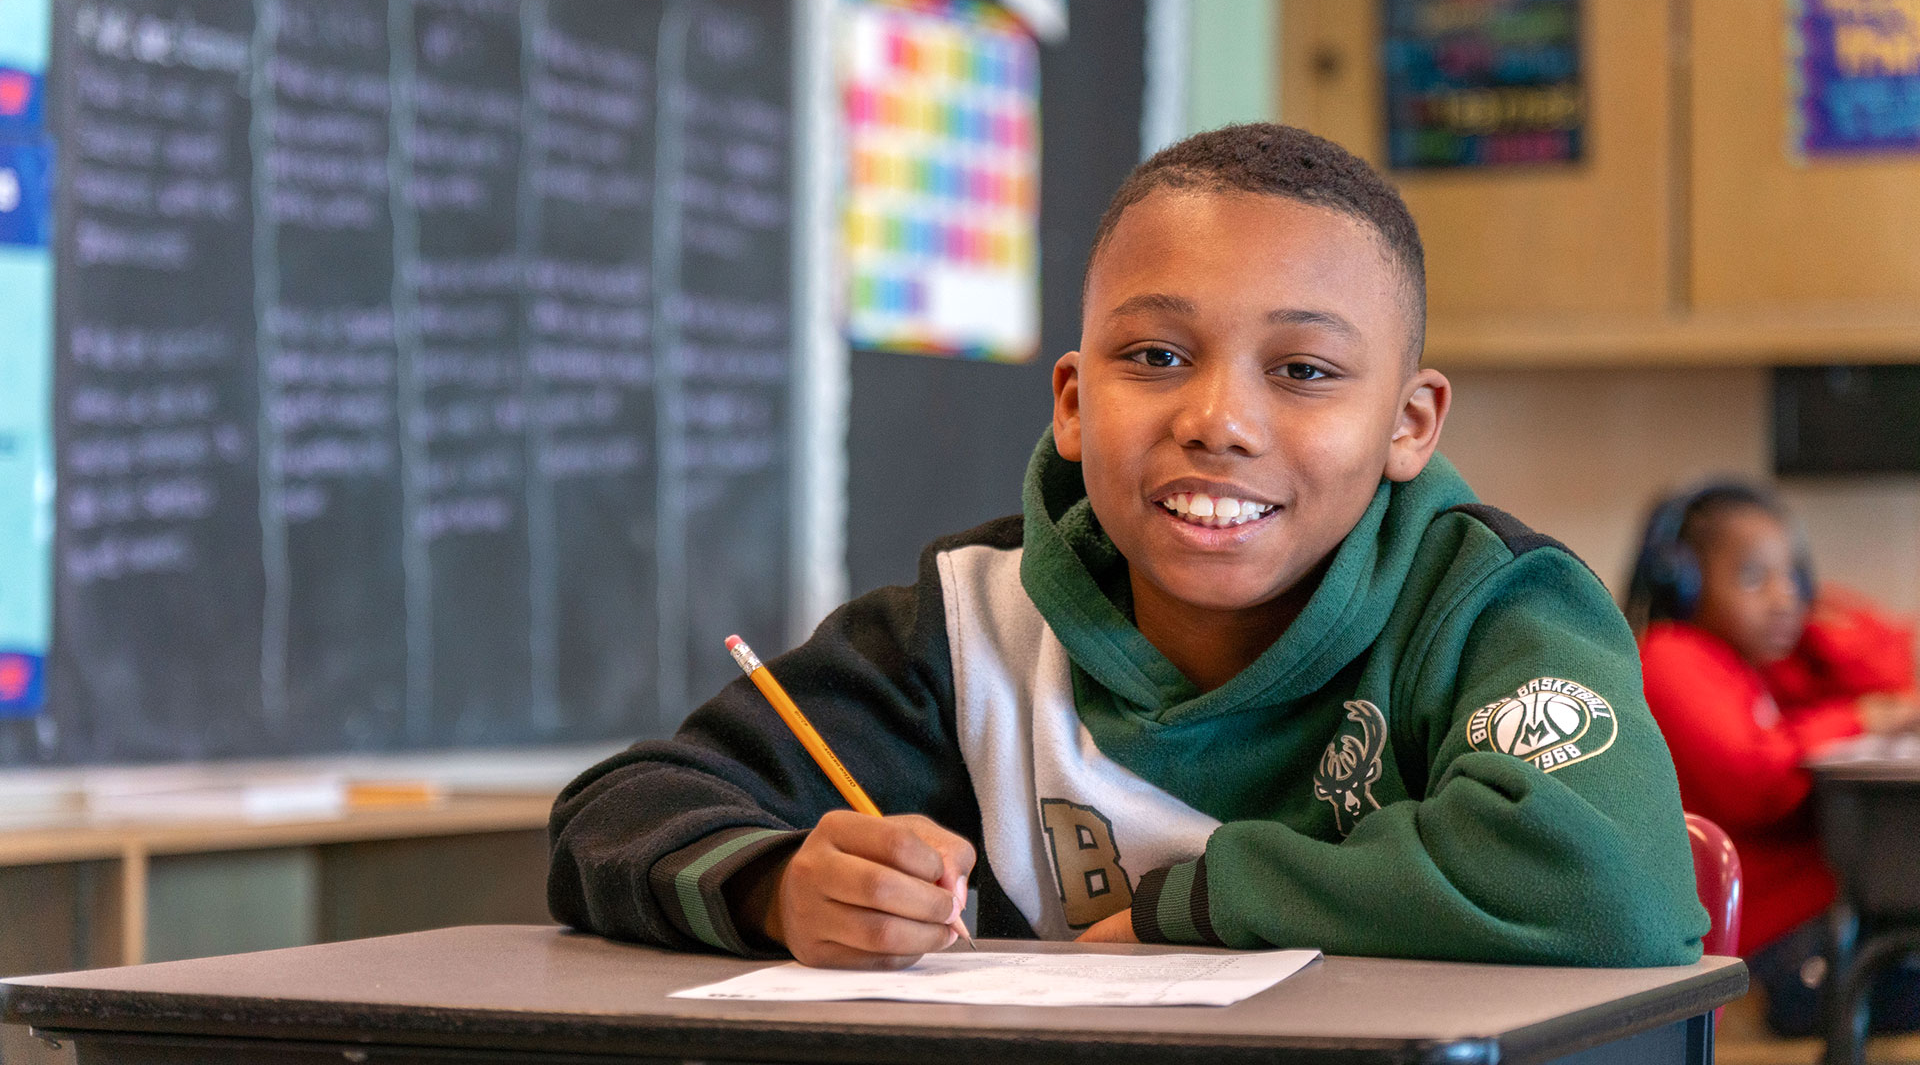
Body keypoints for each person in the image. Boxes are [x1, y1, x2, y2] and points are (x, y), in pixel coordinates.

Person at [548, 123, 1707, 970]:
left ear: (1409, 426)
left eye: (1303, 371)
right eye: (1154, 357)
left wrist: (1183, 906)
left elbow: (1607, 878)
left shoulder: (1489, 607)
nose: (1218, 420)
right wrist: (775, 887)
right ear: (1070, 402)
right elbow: (622, 810)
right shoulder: (966, 630)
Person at [1628, 482, 1919, 1033]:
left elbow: (1887, 672)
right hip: (1768, 954)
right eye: (1754, 578)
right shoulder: (1672, 657)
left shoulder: (1750, 665)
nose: (1784, 596)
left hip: (1819, 926)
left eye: (1794, 577)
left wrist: (1809, 618)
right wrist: (1868, 718)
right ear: (1684, 585)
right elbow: (1759, 778)